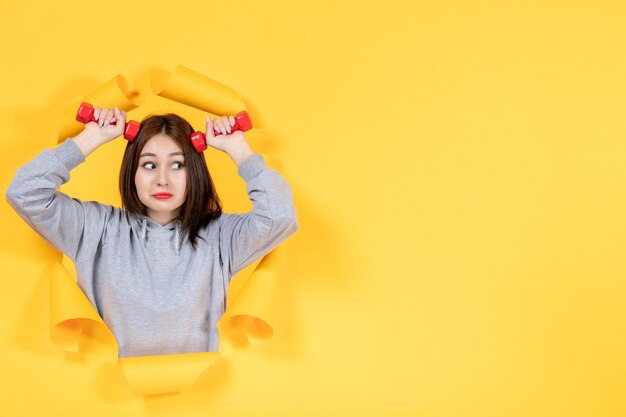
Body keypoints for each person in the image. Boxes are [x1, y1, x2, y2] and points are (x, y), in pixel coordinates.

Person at [6, 106, 298, 357]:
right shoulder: (96, 229)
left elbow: (279, 215)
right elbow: (25, 191)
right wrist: (91, 137)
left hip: (197, 396)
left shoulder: (219, 237)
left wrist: (238, 149)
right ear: (132, 172)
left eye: (177, 164)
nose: (162, 180)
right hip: (108, 398)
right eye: (149, 165)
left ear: (194, 171)